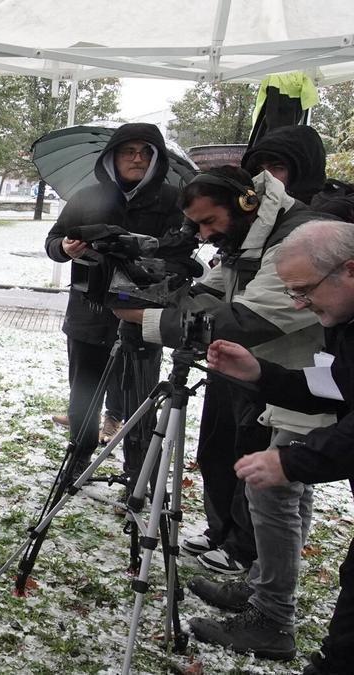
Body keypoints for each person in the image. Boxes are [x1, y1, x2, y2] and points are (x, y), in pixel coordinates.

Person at [114, 170, 332, 659]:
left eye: (209, 222)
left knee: (273, 492)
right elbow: (212, 294)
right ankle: (262, 585)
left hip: (305, 379)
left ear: (246, 201)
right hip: (286, 379)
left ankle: (273, 617)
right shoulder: (252, 236)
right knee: (281, 494)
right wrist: (160, 289)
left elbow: (246, 319)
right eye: (198, 227)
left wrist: (146, 320)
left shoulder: (293, 240)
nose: (205, 235)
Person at [206, 220, 354, 673]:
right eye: (293, 292)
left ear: (350, 270)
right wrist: (259, 374)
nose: (299, 304)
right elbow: (337, 389)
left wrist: (293, 460)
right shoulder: (345, 318)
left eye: (305, 290)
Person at [44, 122, 181, 479]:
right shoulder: (87, 196)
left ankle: (138, 477)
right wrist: (65, 248)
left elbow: (182, 252)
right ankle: (77, 462)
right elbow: (53, 241)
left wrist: (148, 253)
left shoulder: (171, 201)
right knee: (83, 396)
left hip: (141, 316)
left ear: (156, 159)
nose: (137, 159)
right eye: (128, 152)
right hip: (88, 315)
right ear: (113, 157)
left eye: (145, 153)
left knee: (139, 400)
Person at [241, 125, 327, 206]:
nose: (263, 176)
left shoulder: (324, 214)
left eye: (277, 168)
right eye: (260, 168)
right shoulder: (256, 204)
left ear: (305, 171)